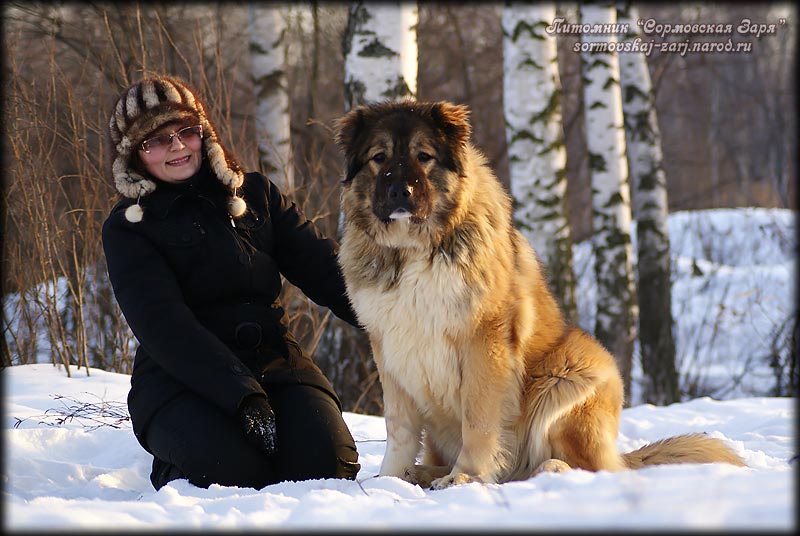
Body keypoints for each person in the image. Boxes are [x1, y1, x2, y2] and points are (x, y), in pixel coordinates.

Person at [102, 75, 362, 491]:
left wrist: (398, 315)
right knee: (233, 475)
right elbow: (163, 326)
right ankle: (173, 470)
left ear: (204, 134)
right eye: (156, 141)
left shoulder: (256, 194)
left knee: (328, 467)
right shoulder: (129, 227)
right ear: (133, 156)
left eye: (186, 131)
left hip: (275, 363)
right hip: (180, 380)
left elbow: (328, 271)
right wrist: (242, 396)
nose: (177, 146)